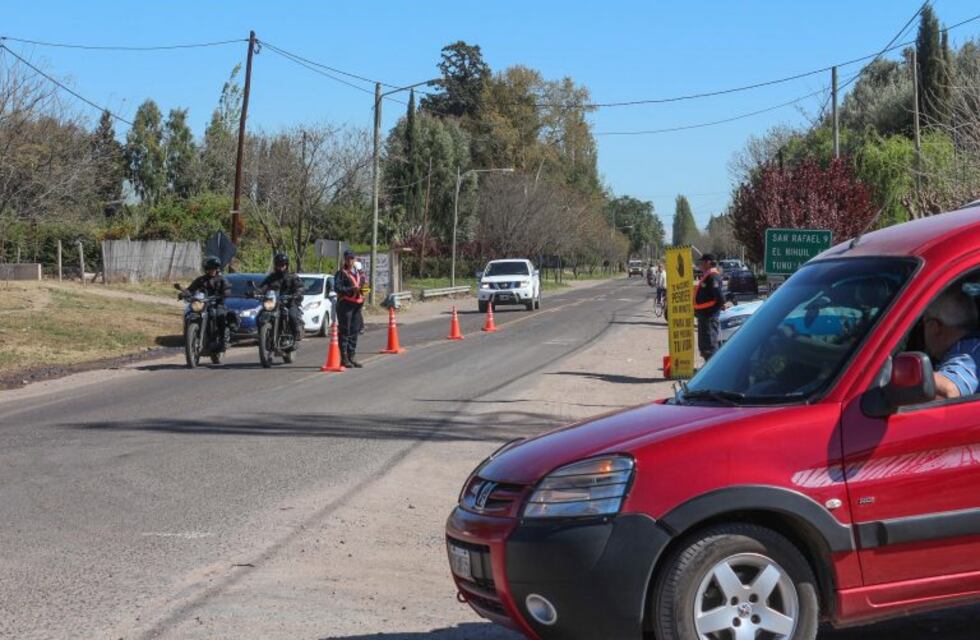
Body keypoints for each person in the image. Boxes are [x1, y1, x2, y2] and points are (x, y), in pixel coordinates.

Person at [923, 287, 980, 399]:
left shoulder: (970, 354)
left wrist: (904, 374)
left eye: (923, 323)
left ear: (935, 327)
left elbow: (949, 390)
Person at [259, 252, 305, 346]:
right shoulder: (271, 277)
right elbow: (264, 286)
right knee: (260, 315)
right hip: (274, 302)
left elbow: (299, 287)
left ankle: (295, 333)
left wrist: (296, 293)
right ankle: (263, 337)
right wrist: (256, 292)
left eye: (282, 264)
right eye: (278, 264)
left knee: (292, 315)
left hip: (289, 302)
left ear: (286, 265)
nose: (280, 267)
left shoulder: (292, 277)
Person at [184, 255, 232, 342]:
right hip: (203, 303)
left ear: (217, 268)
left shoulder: (221, 279)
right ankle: (191, 337)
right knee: (189, 312)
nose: (212, 270)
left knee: (219, 315)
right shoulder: (201, 280)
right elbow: (191, 289)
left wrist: (225, 293)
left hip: (217, 303)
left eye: (214, 268)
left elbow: (227, 289)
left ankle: (222, 339)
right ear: (206, 269)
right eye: (210, 268)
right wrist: (185, 294)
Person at [334, 249, 366, 368]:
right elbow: (337, 288)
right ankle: (344, 357)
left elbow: (365, 286)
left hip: (357, 305)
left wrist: (364, 291)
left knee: (354, 331)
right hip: (345, 305)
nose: (350, 261)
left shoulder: (359, 272)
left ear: (355, 259)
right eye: (348, 259)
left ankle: (352, 356)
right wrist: (351, 290)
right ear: (345, 260)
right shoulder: (341, 273)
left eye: (352, 258)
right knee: (345, 332)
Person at [693, 254, 727, 362]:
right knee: (704, 346)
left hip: (709, 317)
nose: (700, 264)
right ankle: (708, 368)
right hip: (704, 316)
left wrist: (713, 311)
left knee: (709, 347)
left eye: (702, 262)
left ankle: (713, 372)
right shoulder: (708, 275)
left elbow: (720, 298)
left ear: (708, 262)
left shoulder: (713, 276)